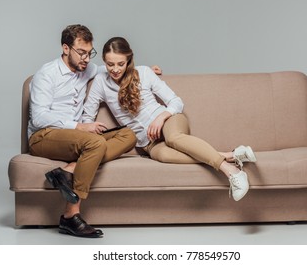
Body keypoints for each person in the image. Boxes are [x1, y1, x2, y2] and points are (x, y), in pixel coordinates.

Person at [82, 37, 257, 202]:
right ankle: (231, 155)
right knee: (164, 155)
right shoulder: (100, 82)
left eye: (120, 64)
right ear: (104, 62)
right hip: (147, 143)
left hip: (169, 121)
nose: (115, 69)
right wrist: (88, 126)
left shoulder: (143, 73)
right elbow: (88, 116)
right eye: (110, 64)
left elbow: (175, 102)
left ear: (128, 60)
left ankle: (232, 171)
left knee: (173, 139)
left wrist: (160, 118)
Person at [28, 25, 141, 238]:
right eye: (81, 52)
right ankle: (71, 216)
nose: (87, 59)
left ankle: (69, 170)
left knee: (128, 135)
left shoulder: (86, 68)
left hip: (75, 139)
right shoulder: (46, 74)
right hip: (44, 136)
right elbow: (39, 117)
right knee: (95, 143)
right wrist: (79, 126)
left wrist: (142, 71)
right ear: (65, 48)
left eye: (90, 53)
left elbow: (112, 68)